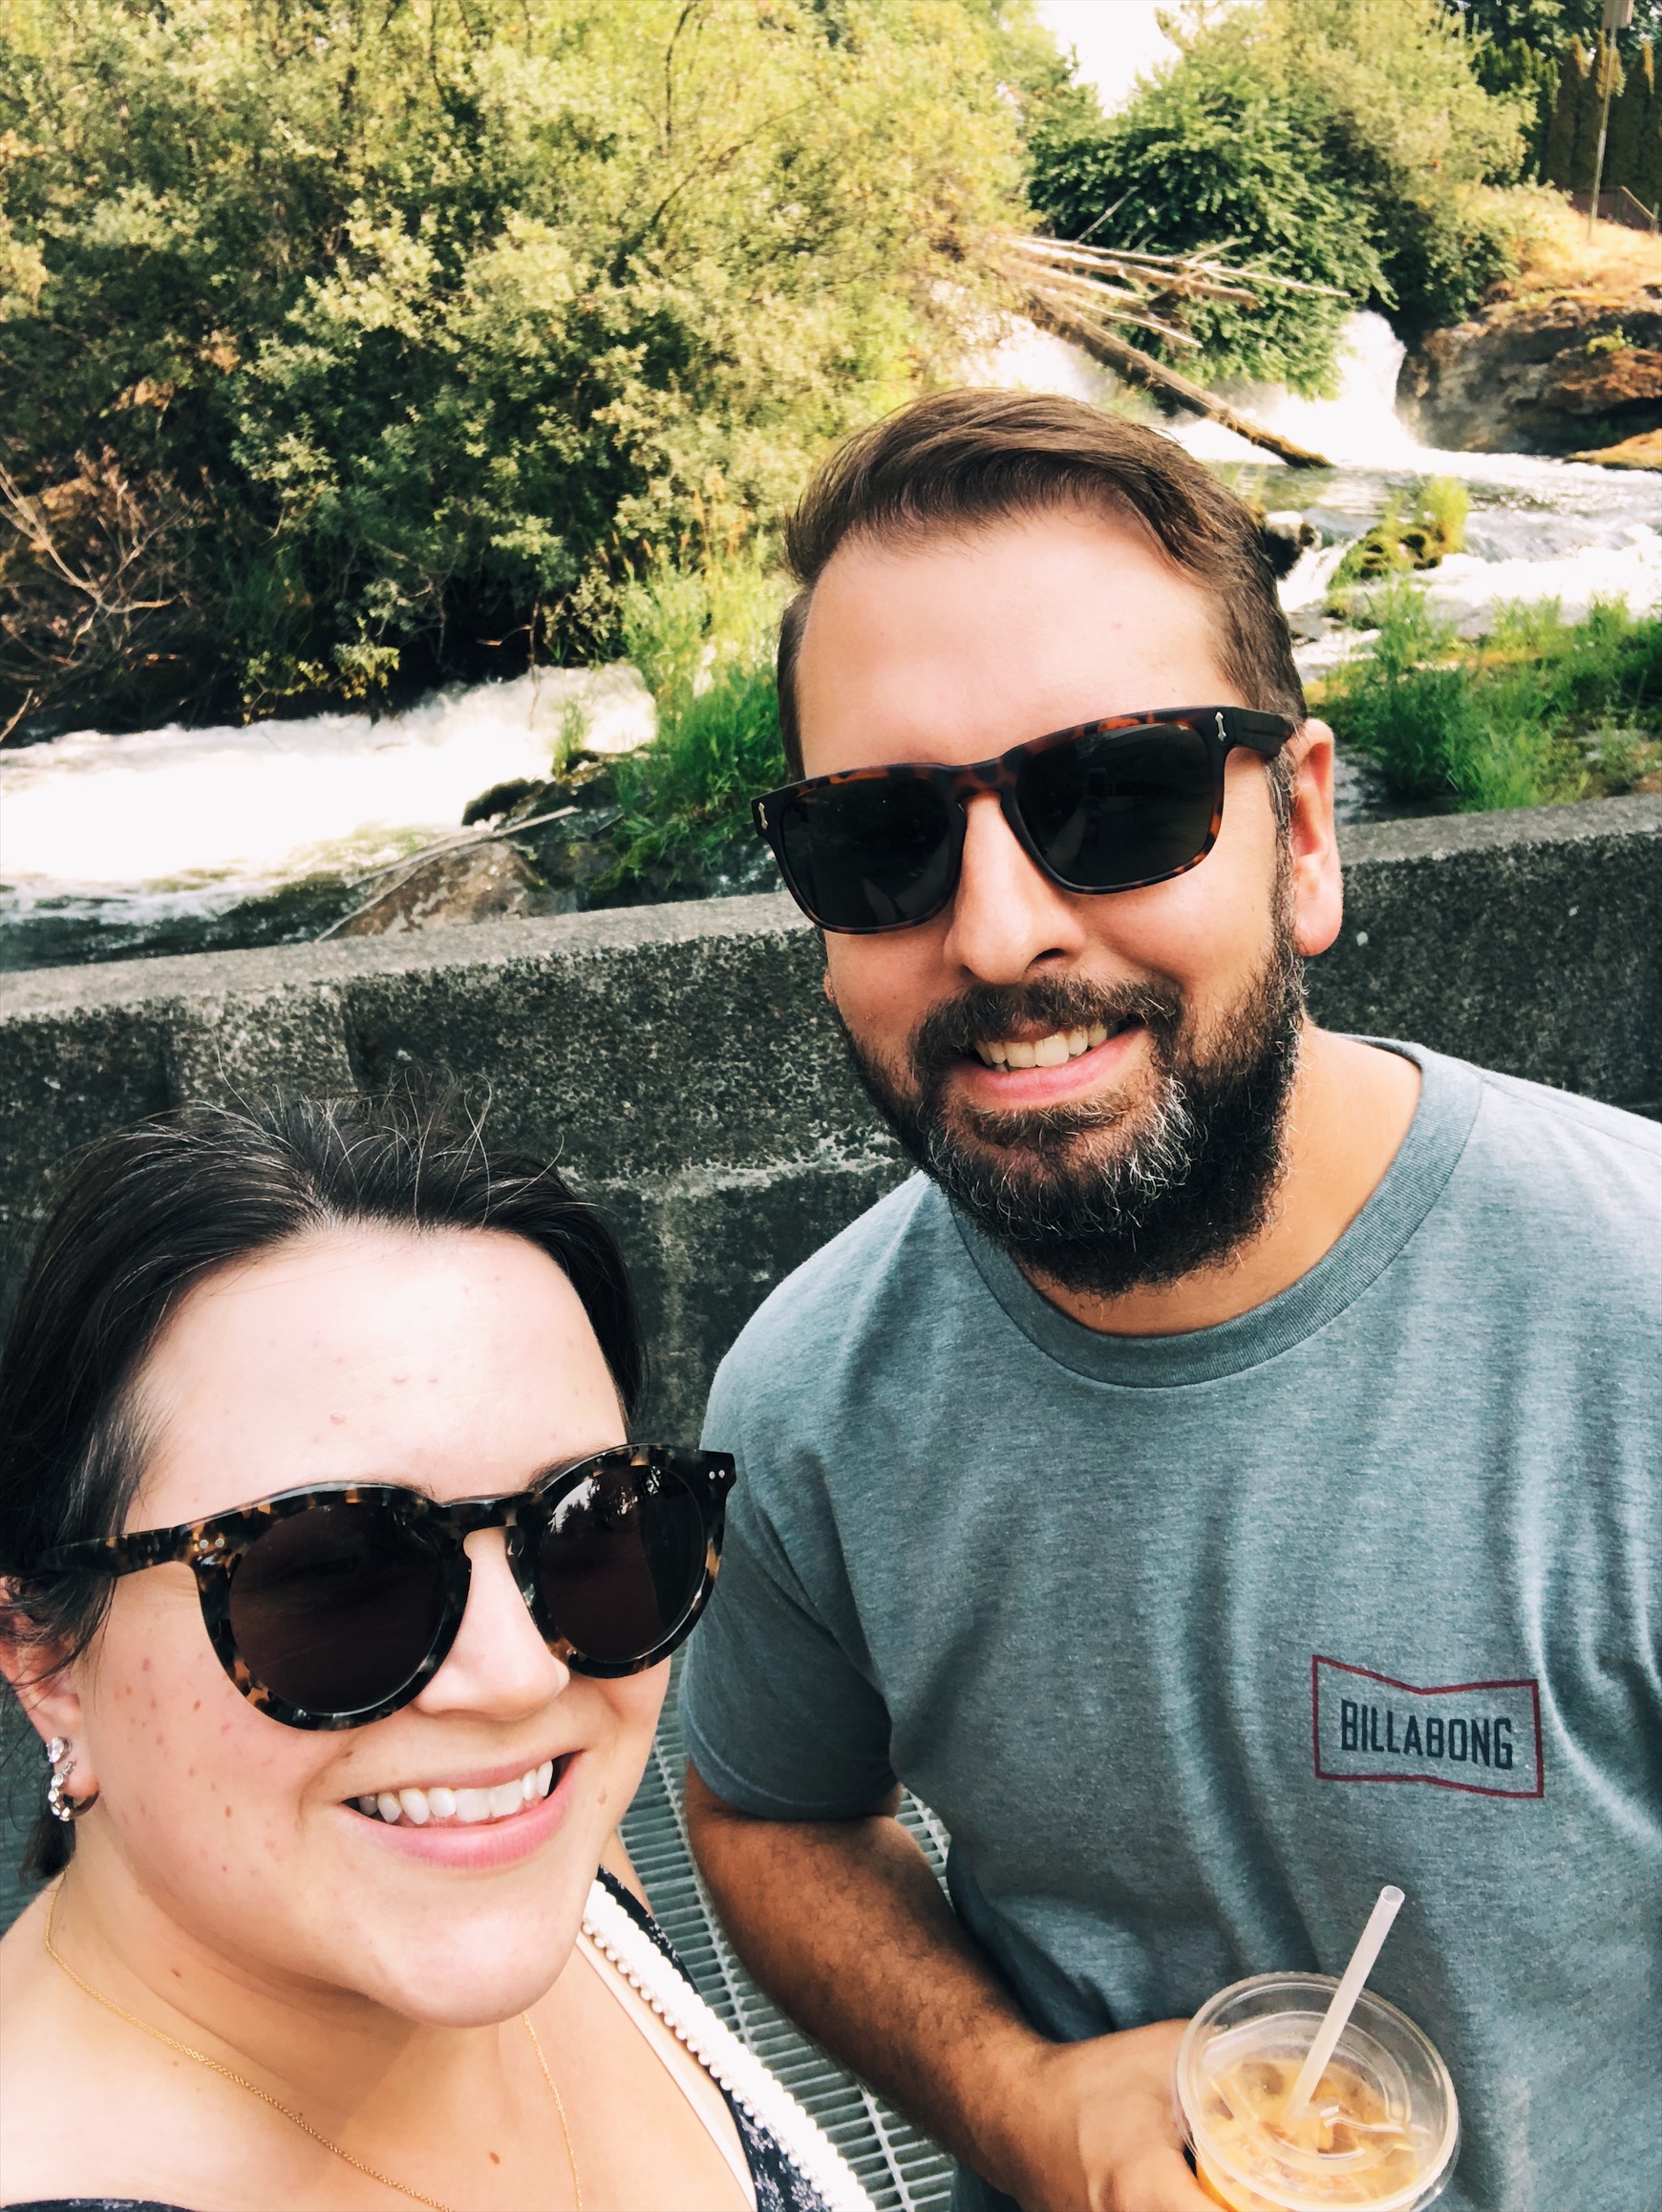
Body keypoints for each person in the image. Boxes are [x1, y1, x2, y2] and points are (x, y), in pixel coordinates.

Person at [678, 391, 1662, 2212]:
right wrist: (1018, 2100)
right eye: (881, 840)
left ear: (1305, 832)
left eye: (1117, 798)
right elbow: (763, 1810)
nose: (997, 932)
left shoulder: (1637, 1322)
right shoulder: (808, 1401)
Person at [0, 1095, 870, 2212]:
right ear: (46, 1660)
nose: (523, 1678)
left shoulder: (541, 1854)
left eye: (587, 1526)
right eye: (336, 1574)